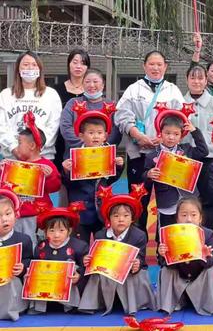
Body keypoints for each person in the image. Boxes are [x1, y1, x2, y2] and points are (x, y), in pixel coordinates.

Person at [115, 50, 184, 231]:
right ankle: (138, 246)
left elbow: (181, 120)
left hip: (167, 156)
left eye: (159, 64)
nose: (155, 68)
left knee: (170, 202)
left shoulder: (172, 90)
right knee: (138, 201)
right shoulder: (133, 89)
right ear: (144, 66)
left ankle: (167, 245)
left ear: (165, 67)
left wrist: (164, 138)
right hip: (139, 153)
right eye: (151, 64)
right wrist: (138, 135)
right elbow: (121, 115)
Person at [80, 184, 156, 314]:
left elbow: (142, 259)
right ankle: (92, 304)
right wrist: (88, 260)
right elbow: (97, 258)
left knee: (133, 274)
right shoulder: (100, 235)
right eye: (116, 216)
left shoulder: (139, 235)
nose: (121, 219)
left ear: (132, 218)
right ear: (109, 218)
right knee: (96, 274)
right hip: (108, 272)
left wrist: (137, 263)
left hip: (129, 273)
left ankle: (132, 305)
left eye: (126, 216)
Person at [156, 196, 213, 315]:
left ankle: (210, 303)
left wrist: (206, 256)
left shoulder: (208, 235)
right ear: (177, 219)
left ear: (200, 218)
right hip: (180, 281)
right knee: (165, 271)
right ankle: (172, 303)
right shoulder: (170, 235)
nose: (189, 219)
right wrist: (163, 255)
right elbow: (164, 264)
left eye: (193, 215)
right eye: (184, 215)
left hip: (200, 282)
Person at [61, 102, 124, 242]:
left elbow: (111, 179)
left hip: (101, 209)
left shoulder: (107, 153)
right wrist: (66, 171)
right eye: (91, 133)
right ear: (81, 136)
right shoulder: (74, 155)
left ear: (105, 136)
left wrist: (118, 166)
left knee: (102, 244)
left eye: (99, 133)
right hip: (81, 210)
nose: (95, 136)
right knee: (79, 245)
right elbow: (68, 184)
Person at [0, 112, 61, 245]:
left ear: (32, 146)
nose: (17, 146)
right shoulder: (12, 165)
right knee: (13, 242)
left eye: (19, 142)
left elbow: (55, 187)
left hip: (36, 215)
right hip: (14, 215)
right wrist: (2, 172)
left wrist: (50, 176)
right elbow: (4, 189)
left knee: (34, 244)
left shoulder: (46, 165)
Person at [144, 104, 208, 227]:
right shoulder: (152, 156)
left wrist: (194, 131)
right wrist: (148, 174)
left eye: (176, 134)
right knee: (166, 234)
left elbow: (203, 151)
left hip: (188, 200)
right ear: (160, 133)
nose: (171, 137)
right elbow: (144, 179)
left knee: (190, 232)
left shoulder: (187, 150)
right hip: (167, 202)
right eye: (167, 133)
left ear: (181, 136)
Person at [0, 51, 62, 161]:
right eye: (25, 64)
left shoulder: (51, 94)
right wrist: (15, 149)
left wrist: (36, 149)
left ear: (40, 69)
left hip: (42, 158)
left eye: (34, 65)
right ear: (18, 69)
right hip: (12, 158)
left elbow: (53, 127)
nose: (30, 68)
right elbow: (2, 127)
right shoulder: (5, 95)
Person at [183, 63, 213, 223]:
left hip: (211, 158)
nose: (196, 82)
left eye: (200, 78)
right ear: (187, 80)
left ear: (206, 80)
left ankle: (210, 237)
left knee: (210, 200)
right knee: (188, 201)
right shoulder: (179, 102)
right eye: (192, 78)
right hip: (188, 158)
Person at [29, 202, 89, 313]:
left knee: (73, 270)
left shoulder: (80, 246)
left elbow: (85, 266)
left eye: (61, 230)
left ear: (69, 231)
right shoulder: (41, 247)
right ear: (45, 231)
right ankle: (39, 307)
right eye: (51, 231)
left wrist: (79, 275)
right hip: (47, 286)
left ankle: (70, 306)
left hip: (69, 287)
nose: (56, 235)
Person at [60, 69, 122, 160]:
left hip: (103, 155)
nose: (91, 85)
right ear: (83, 84)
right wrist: (85, 145)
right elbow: (65, 127)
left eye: (95, 81)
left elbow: (116, 129)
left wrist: (102, 145)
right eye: (87, 82)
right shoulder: (73, 103)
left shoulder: (111, 105)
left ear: (103, 85)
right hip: (77, 155)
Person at [53, 49, 91, 177]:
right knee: (64, 182)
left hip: (87, 143)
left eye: (83, 63)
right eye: (75, 62)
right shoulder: (56, 90)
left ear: (87, 67)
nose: (78, 66)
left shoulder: (91, 91)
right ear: (69, 64)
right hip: (61, 142)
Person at [0, 186, 32, 321]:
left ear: (15, 214)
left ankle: (8, 312)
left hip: (11, 279)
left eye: (8, 214)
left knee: (10, 283)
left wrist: (22, 267)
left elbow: (29, 260)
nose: (4, 219)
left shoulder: (23, 239)